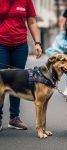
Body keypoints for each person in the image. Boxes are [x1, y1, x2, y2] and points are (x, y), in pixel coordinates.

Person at [0, 0, 42, 131]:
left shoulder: (26, 1)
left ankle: (14, 118)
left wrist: (37, 42)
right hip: (1, 44)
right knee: (1, 80)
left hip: (20, 45)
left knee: (16, 80)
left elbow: (32, 22)